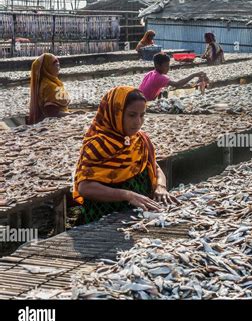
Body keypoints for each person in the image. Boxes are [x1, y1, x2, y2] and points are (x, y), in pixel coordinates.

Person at [73, 86, 178, 224]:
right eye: (132, 115)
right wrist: (126, 195)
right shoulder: (97, 145)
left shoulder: (140, 140)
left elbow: (156, 168)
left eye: (142, 115)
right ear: (115, 113)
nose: (138, 122)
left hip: (138, 214)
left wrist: (161, 186)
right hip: (103, 217)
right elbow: (85, 187)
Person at [139, 53, 207, 101]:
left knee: (166, 91)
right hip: (144, 102)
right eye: (166, 66)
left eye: (168, 65)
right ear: (157, 65)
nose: (168, 68)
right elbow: (177, 84)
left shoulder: (150, 73)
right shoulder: (160, 77)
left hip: (139, 98)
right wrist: (193, 75)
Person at [28, 53, 72, 124]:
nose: (59, 68)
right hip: (55, 123)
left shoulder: (45, 82)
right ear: (47, 67)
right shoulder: (49, 86)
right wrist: (72, 115)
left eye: (59, 65)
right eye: (56, 65)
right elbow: (52, 113)